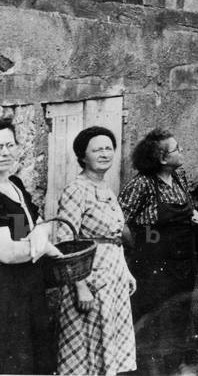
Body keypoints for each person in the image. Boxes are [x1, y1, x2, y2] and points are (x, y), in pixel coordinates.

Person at [119, 128, 198, 375]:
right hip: (153, 265)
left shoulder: (179, 177)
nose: (182, 151)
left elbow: (187, 206)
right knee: (155, 321)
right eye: (177, 149)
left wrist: (193, 214)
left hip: (183, 261)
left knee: (179, 316)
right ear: (162, 159)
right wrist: (135, 244)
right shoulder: (141, 185)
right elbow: (119, 220)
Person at [56, 126, 137, 376]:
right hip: (88, 280)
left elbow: (114, 239)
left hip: (112, 278)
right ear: (82, 156)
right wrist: (80, 286)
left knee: (107, 347)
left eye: (108, 148)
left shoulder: (106, 189)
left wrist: (126, 273)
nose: (104, 153)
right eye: (97, 149)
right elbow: (65, 241)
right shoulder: (76, 189)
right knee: (85, 349)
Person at [0, 121, 60, 375]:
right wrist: (43, 246)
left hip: (29, 286)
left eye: (9, 145)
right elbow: (7, 253)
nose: (3, 152)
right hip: (6, 291)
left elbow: (40, 224)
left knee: (36, 356)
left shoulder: (15, 185)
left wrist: (39, 233)